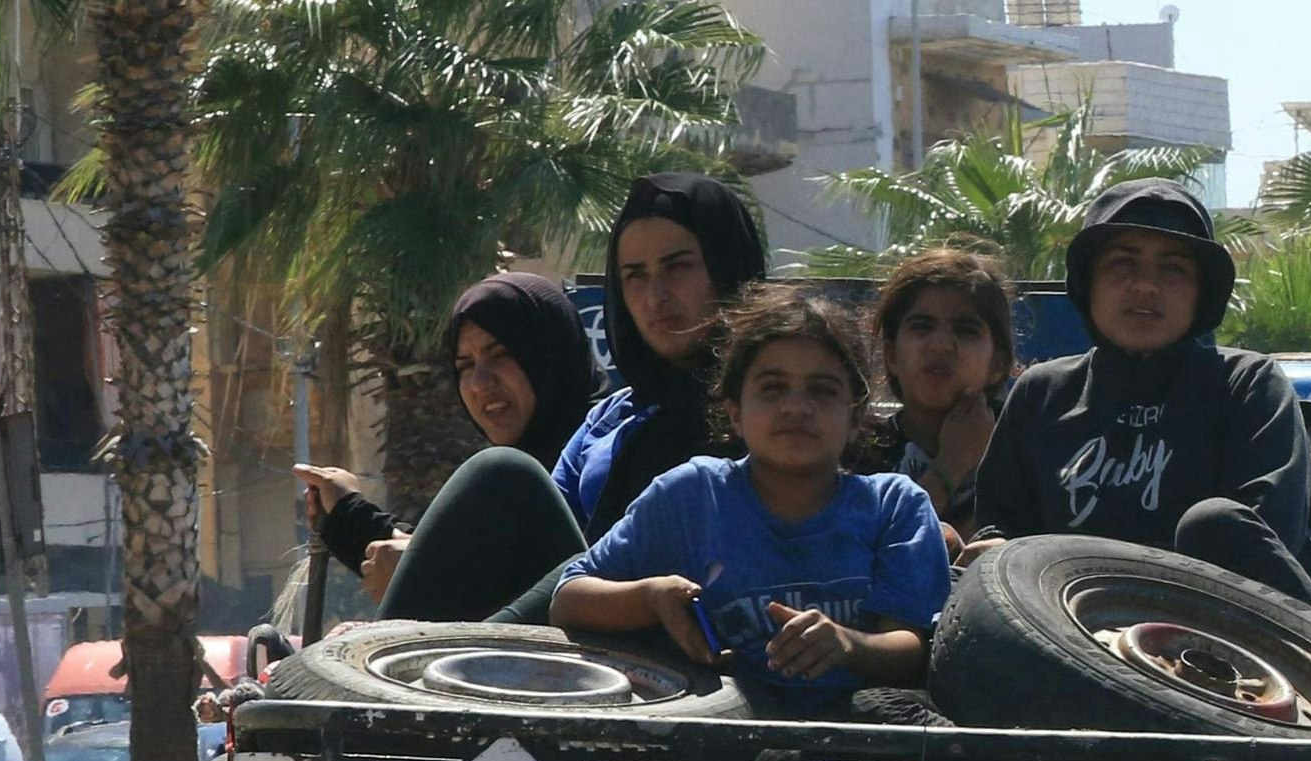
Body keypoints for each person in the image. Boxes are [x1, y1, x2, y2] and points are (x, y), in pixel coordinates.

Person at [550, 288, 944, 714]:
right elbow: (568, 599)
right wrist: (650, 597)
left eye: (823, 390)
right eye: (772, 388)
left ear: (856, 414)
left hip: (855, 744)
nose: (796, 407)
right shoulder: (692, 496)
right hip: (724, 740)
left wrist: (849, 645)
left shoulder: (895, 506)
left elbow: (912, 649)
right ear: (735, 412)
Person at [968, 180, 1311, 610]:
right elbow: (1000, 531)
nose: (1145, 286)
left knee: (1213, 523)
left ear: (1202, 293)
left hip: (1250, 637)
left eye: (1173, 268)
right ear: (1087, 282)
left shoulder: (1248, 384)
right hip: (1073, 635)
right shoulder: (1041, 393)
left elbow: (1260, 536)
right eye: (1122, 264)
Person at [293, 272, 605, 624]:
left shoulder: (606, 451)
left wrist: (434, 570)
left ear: (549, 356)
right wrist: (347, 516)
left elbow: (588, 573)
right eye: (465, 365)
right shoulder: (499, 486)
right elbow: (470, 565)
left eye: (500, 355)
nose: (479, 383)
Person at [558, 171, 766, 542]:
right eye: (635, 275)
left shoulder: (772, 406)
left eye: (677, 267)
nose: (655, 297)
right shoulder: (613, 416)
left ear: (726, 267)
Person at [854, 247, 1014, 525]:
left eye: (965, 330)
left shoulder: (1026, 450)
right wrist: (950, 466)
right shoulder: (858, 451)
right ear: (891, 356)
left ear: (998, 365)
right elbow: (870, 549)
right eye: (922, 327)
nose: (940, 345)